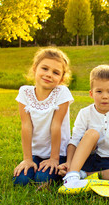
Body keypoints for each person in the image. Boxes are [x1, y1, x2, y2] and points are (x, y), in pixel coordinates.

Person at [58, 65, 109, 190]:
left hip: (108, 162)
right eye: (99, 91)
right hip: (85, 158)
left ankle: (83, 176)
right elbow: (74, 140)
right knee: (92, 133)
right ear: (91, 93)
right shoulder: (85, 113)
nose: (105, 96)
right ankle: (72, 175)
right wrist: (69, 164)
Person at [13, 48, 74, 186]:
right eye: (44, 68)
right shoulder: (25, 92)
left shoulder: (62, 93)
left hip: (58, 153)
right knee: (20, 181)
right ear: (35, 69)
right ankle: (33, 162)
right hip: (36, 153)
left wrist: (54, 158)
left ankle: (54, 167)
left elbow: (56, 125)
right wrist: (27, 158)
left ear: (62, 79)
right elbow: (26, 126)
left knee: (43, 178)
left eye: (55, 72)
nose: (49, 75)